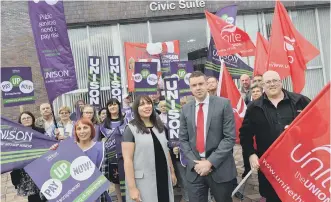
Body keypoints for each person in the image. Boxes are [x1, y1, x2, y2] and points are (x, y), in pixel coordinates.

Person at [240, 70, 311, 202]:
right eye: (268, 82)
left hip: (300, 164)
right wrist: (251, 154)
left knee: (302, 197)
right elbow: (245, 135)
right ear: (262, 85)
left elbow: (319, 125)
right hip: (271, 168)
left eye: (275, 81)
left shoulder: (300, 101)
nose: (272, 84)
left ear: (280, 82)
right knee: (273, 198)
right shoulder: (254, 108)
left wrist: (300, 130)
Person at [179, 71, 237, 202]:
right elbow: (183, 139)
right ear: (190, 88)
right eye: (194, 85)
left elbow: (229, 138)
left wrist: (210, 162)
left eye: (201, 84)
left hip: (220, 168)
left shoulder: (224, 104)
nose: (198, 88)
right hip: (195, 170)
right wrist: (196, 164)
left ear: (207, 85)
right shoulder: (185, 109)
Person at [122, 95, 177, 202]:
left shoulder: (159, 126)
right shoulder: (130, 129)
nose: (147, 106)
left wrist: (172, 171)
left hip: (163, 177)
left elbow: (166, 151)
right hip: (143, 181)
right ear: (136, 108)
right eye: (142, 104)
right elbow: (127, 160)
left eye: (149, 103)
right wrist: (132, 188)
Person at [50, 118, 107, 202]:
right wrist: (53, 153)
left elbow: (105, 176)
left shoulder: (101, 148)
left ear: (92, 129)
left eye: (85, 127)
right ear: (75, 132)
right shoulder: (68, 149)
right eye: (79, 129)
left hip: (97, 196)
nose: (82, 131)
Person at [10, 112, 46, 202]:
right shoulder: (16, 135)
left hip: (41, 167)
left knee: (46, 191)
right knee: (33, 195)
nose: (26, 119)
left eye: (28, 117)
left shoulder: (40, 131)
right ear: (20, 122)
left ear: (33, 119)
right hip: (26, 171)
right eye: (23, 118)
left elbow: (47, 145)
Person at [100, 98, 129, 202]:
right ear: (108, 108)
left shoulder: (126, 120)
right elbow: (99, 141)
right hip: (113, 158)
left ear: (119, 106)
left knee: (129, 179)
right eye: (110, 105)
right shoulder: (103, 125)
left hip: (128, 155)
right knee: (117, 182)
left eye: (115, 104)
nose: (112, 107)